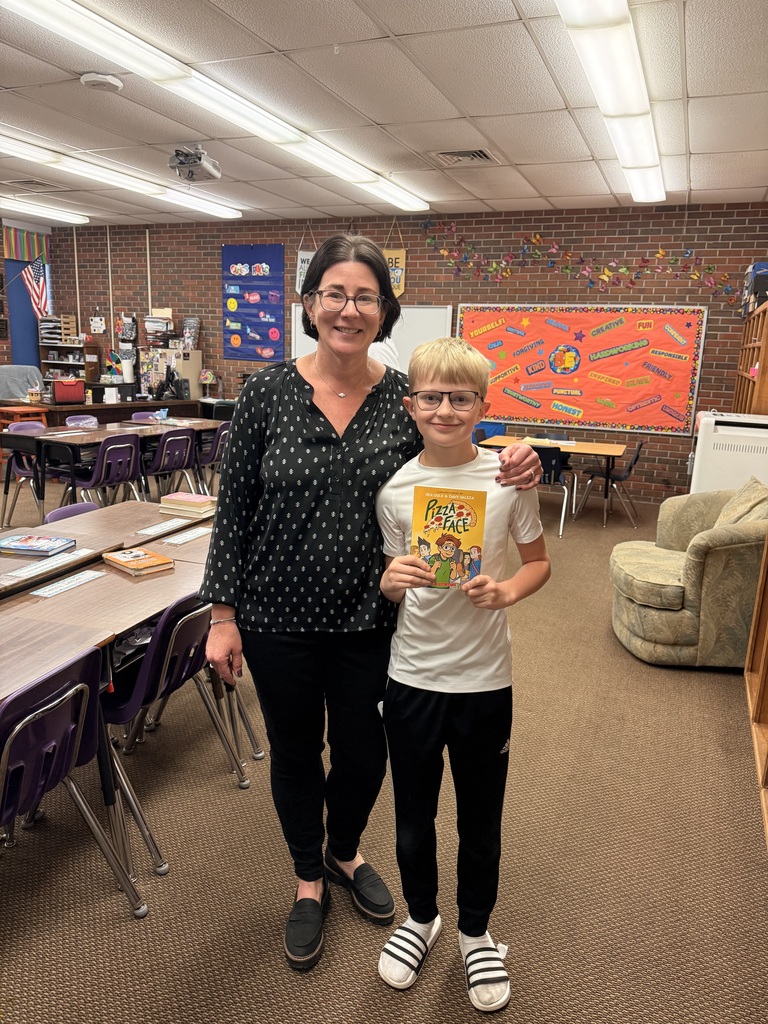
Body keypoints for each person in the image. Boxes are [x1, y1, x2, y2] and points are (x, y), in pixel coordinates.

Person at [200, 235, 542, 973]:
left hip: (374, 620)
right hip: (275, 619)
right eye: (334, 293)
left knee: (364, 755)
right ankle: (307, 880)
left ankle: (345, 851)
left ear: (384, 309)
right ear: (309, 303)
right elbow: (234, 511)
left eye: (365, 296)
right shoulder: (265, 393)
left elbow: (455, 449)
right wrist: (222, 618)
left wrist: (518, 452)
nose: (348, 309)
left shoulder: (402, 396)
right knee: (295, 753)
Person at [374, 336, 551, 1012]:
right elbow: (393, 584)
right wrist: (392, 581)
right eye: (431, 397)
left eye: (461, 397)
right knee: (413, 820)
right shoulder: (396, 490)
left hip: (484, 682)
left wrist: (507, 591)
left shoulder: (508, 482)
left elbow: (537, 563)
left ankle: (476, 931)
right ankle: (422, 918)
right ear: (409, 402)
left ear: (483, 404)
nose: (445, 409)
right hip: (412, 677)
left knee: (481, 821)